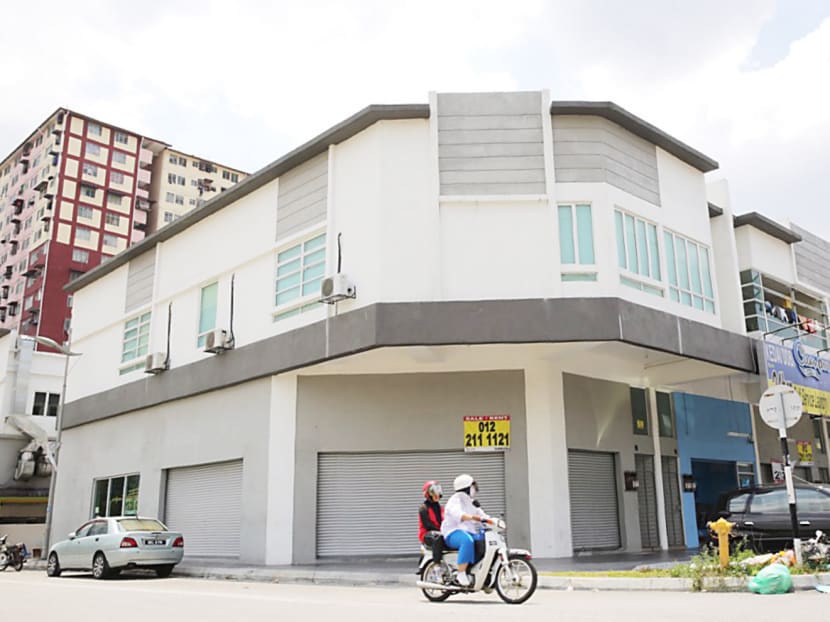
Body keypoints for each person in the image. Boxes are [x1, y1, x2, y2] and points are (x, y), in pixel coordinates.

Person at [441, 473, 492, 587]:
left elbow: (482, 514)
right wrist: (472, 517)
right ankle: (461, 573)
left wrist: (493, 521)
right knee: (467, 540)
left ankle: (474, 570)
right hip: (452, 532)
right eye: (473, 486)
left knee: (483, 542)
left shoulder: (471, 501)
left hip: (468, 531)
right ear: (466, 487)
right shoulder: (455, 500)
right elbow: (458, 514)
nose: (475, 488)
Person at [419, 480, 444, 562]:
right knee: (438, 537)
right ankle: (436, 564)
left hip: (440, 531)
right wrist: (442, 530)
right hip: (427, 534)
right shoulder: (423, 508)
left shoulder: (441, 509)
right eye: (433, 492)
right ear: (428, 494)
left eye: (438, 491)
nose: (437, 495)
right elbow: (428, 525)